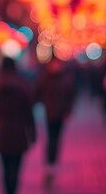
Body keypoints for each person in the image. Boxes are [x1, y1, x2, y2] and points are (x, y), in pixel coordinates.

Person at [0, 57, 35, 194]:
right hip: (19, 130)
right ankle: (13, 190)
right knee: (16, 166)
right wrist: (32, 132)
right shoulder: (22, 84)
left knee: (5, 166)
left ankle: (7, 190)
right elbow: (29, 111)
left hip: (0, 130)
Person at [35, 56, 76, 188]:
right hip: (49, 113)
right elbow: (37, 92)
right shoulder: (45, 78)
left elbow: (71, 95)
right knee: (51, 138)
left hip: (60, 114)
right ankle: (50, 162)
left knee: (56, 138)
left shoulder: (65, 79)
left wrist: (68, 110)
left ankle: (52, 162)